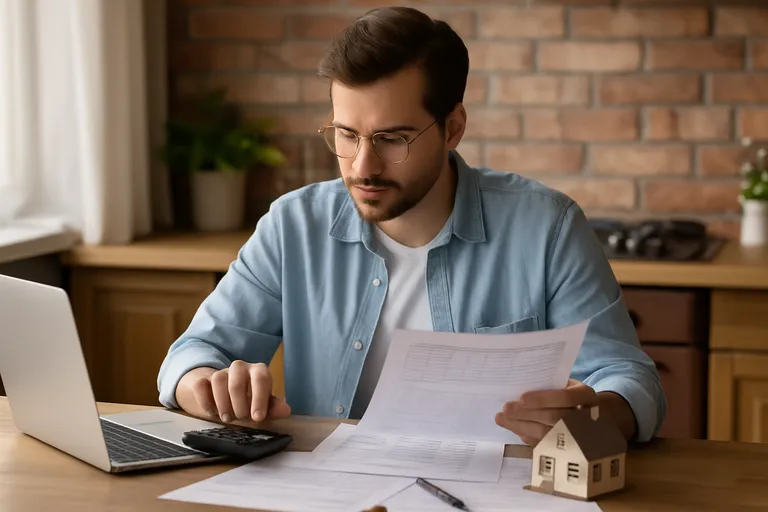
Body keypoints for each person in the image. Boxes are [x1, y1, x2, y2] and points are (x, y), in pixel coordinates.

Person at [157, 6, 665, 446]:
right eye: (345, 135)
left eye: (392, 139)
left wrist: (595, 412)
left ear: (454, 128)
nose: (362, 167)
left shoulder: (547, 228)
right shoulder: (294, 225)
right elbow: (192, 355)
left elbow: (628, 378)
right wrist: (204, 384)